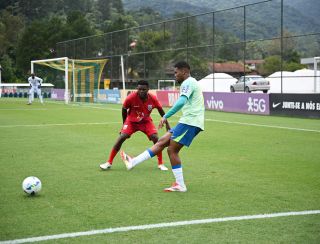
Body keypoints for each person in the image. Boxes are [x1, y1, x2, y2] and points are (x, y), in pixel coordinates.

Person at [120, 61, 205, 192]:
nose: (175, 75)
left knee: (172, 150)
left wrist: (166, 116)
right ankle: (133, 162)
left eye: (176, 72)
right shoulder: (190, 82)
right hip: (187, 121)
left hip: (191, 122)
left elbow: (182, 101)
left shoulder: (188, 82)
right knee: (162, 141)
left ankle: (180, 185)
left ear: (184, 71)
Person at [99, 80, 170, 171]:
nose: (141, 91)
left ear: (148, 89)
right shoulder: (131, 97)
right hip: (131, 122)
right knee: (121, 137)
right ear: (137, 89)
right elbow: (124, 109)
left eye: (144, 89)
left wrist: (167, 123)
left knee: (155, 138)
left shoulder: (153, 98)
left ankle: (160, 164)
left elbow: (161, 111)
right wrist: (124, 124)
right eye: (139, 89)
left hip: (145, 121)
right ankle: (109, 162)